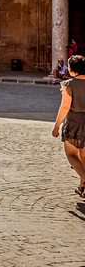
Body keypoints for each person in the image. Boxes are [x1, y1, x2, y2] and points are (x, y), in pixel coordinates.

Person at [52, 55, 85, 197]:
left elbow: (65, 106)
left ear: (71, 69)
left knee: (72, 155)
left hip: (74, 123)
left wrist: (56, 126)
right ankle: (82, 187)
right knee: (83, 157)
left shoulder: (69, 85)